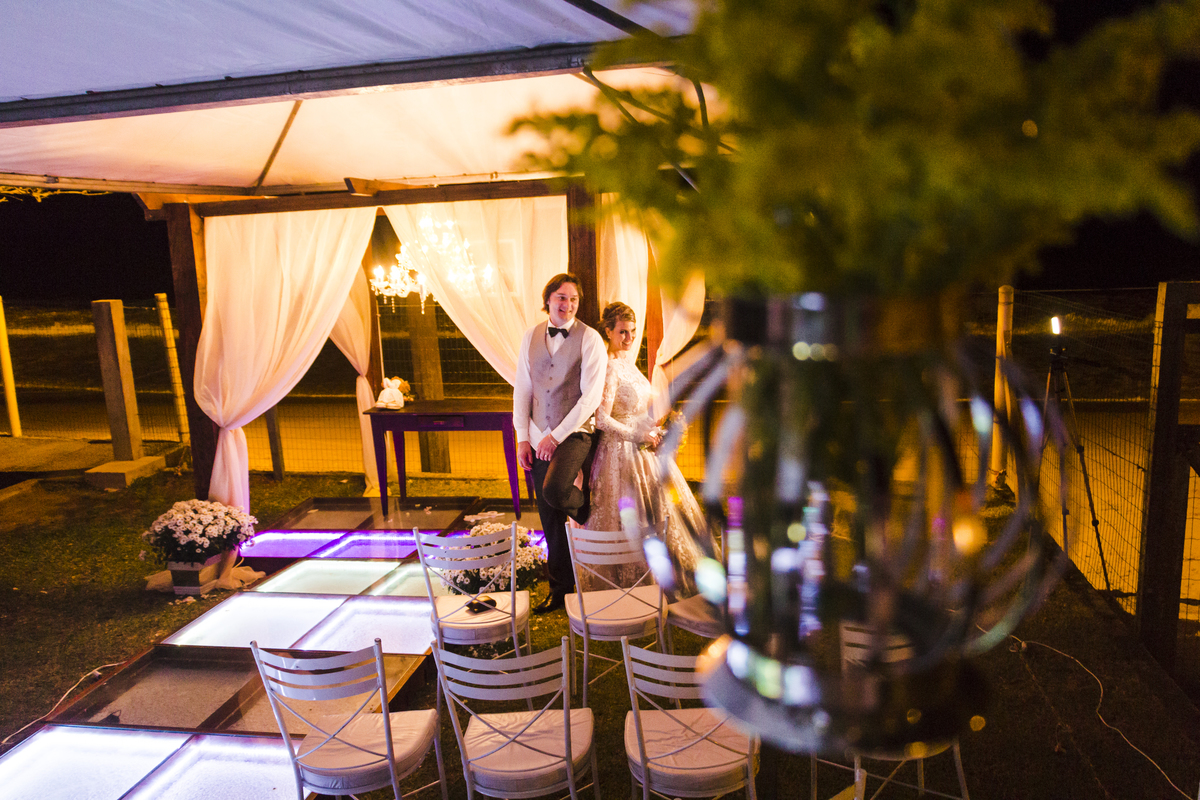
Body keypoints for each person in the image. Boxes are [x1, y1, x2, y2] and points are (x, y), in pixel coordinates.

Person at [586, 301, 706, 594]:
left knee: (660, 509)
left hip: (643, 449)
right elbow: (601, 419)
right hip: (618, 453)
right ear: (608, 332)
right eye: (623, 332)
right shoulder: (610, 368)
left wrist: (657, 430)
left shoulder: (628, 364)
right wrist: (637, 435)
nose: (629, 338)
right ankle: (630, 580)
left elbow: (638, 410)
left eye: (632, 331)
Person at [514, 273, 607, 614]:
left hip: (576, 431)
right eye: (561, 297)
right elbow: (522, 389)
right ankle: (561, 589)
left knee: (555, 491)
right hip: (538, 433)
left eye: (573, 299)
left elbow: (590, 398)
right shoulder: (530, 336)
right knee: (549, 517)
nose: (567, 305)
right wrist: (523, 437)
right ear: (548, 299)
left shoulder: (590, 339)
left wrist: (556, 436)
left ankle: (584, 507)